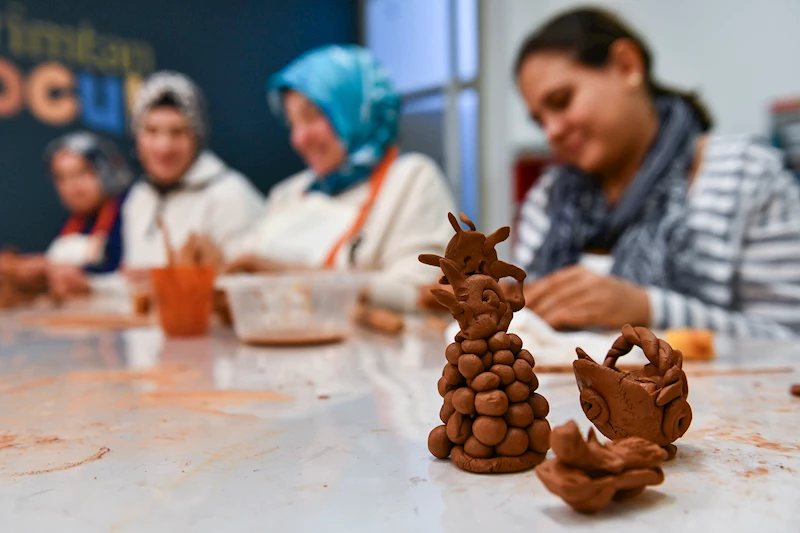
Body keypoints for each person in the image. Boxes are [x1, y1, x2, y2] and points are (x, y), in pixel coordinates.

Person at [513, 7, 800, 339]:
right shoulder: (547, 200)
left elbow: (790, 338)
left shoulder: (745, 176)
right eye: (539, 120)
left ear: (627, 65)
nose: (551, 132)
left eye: (562, 101)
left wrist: (647, 309)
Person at [226, 45, 456, 313]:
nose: (299, 139)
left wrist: (287, 276)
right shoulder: (290, 193)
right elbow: (241, 270)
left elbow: (423, 296)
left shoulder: (411, 179)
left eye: (311, 117)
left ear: (355, 108)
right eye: (292, 124)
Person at [122, 71, 264, 271]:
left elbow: (248, 288)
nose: (164, 147)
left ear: (197, 137)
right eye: (151, 131)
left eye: (177, 132)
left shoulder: (231, 196)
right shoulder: (138, 198)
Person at [0, 131, 131, 301]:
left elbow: (136, 277)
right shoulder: (74, 223)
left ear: (106, 170)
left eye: (82, 173)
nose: (72, 187)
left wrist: (84, 282)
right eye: (62, 178)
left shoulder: (130, 212)